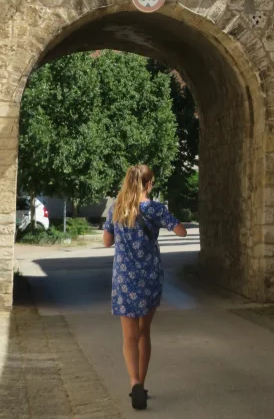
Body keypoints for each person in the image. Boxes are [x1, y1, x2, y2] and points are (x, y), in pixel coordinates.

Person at [103, 164, 187, 410]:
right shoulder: (156, 208)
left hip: (124, 279)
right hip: (149, 278)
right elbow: (181, 232)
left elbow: (107, 242)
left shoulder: (116, 209)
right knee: (144, 332)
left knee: (129, 336)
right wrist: (167, 223)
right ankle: (143, 382)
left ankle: (134, 383)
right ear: (149, 184)